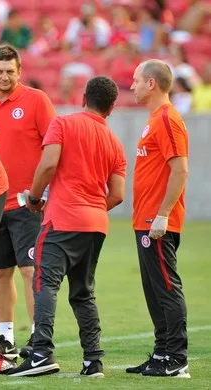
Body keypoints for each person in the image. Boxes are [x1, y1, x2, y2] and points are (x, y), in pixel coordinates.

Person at [7, 76, 126, 377]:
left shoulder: (63, 124)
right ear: (112, 108)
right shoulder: (115, 142)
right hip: (96, 223)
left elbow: (48, 165)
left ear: (84, 97)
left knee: (44, 283)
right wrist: (94, 207)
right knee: (83, 292)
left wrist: (34, 198)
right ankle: (93, 361)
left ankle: (41, 354)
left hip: (61, 219)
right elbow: (118, 194)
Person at [0, 45, 56, 353]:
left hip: (29, 202)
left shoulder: (37, 100)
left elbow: (53, 147)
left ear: (19, 72)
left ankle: (38, 336)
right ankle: (6, 338)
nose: (5, 77)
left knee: (30, 269)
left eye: (10, 71)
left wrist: (44, 191)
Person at [126, 59, 190, 378]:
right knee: (154, 290)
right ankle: (162, 353)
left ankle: (176, 358)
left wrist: (163, 214)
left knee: (166, 287)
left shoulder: (167, 119)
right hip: (146, 219)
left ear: (151, 83)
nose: (132, 85)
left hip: (158, 220)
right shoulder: (154, 118)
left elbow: (180, 169)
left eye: (137, 80)